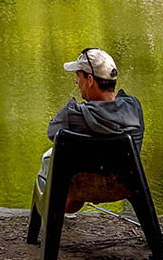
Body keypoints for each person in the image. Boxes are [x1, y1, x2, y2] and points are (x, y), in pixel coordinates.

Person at [39, 48, 144, 214]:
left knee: (49, 156)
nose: (76, 82)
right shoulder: (133, 108)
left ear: (90, 80)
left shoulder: (73, 114)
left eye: (78, 76)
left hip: (81, 188)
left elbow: (52, 132)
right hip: (125, 185)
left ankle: (54, 207)